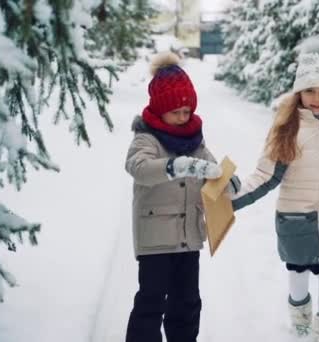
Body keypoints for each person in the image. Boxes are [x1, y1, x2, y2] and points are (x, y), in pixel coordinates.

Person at [231, 38, 319, 342]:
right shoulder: (287, 126)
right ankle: (299, 313)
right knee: (298, 273)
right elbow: (265, 175)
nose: (317, 98)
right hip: (295, 214)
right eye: (310, 90)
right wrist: (230, 202)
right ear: (299, 92)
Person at [124, 52, 222, 342]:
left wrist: (226, 180)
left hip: (188, 237)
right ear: (160, 109)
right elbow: (138, 168)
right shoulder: (146, 138)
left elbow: (210, 167)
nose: (183, 117)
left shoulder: (195, 139)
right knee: (152, 301)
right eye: (176, 111)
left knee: (187, 302)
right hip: (155, 239)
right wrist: (174, 165)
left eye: (187, 111)